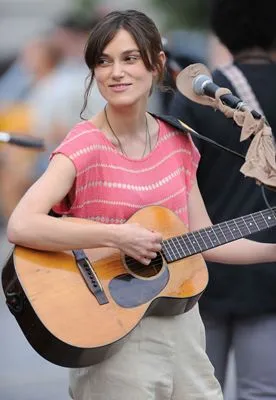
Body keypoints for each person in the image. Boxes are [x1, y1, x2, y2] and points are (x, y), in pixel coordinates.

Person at [6, 9, 276, 400]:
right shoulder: (84, 145)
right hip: (111, 335)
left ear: (157, 64)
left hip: (184, 332)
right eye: (104, 61)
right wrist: (119, 237)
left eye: (130, 58)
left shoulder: (178, 141)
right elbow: (22, 224)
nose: (116, 72)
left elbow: (205, 238)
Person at [169, 0, 276, 398]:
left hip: (203, 263)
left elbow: (176, 181)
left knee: (198, 389)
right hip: (269, 268)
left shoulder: (197, 94)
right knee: (262, 391)